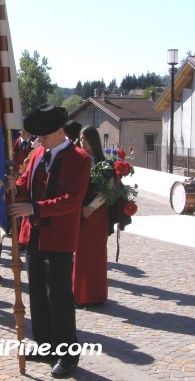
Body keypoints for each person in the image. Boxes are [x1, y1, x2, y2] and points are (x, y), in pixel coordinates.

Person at [6, 103, 91, 378]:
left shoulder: (80, 159)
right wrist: (14, 186)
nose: (38, 140)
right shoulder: (38, 152)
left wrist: (35, 208)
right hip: (33, 236)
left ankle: (67, 355)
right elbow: (26, 184)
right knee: (39, 297)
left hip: (59, 240)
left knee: (59, 298)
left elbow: (72, 200)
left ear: (59, 131)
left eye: (43, 135)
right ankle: (45, 346)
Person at [73, 126, 109, 306]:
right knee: (80, 255)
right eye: (80, 139)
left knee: (95, 255)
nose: (83, 143)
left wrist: (90, 208)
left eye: (86, 139)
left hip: (97, 215)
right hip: (81, 213)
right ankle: (79, 295)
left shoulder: (104, 164)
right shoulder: (78, 161)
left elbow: (106, 191)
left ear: (94, 140)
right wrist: (81, 208)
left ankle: (95, 295)